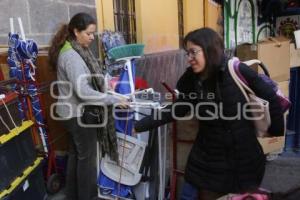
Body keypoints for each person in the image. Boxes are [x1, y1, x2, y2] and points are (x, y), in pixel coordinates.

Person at [134, 28, 284, 200]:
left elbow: (270, 96)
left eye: (193, 52)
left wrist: (276, 131)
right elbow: (177, 109)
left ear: (209, 50)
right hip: (205, 153)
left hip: (241, 157)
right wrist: (141, 125)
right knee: (188, 195)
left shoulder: (235, 70)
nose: (189, 58)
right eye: (187, 53)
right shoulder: (192, 79)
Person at [48, 13, 128, 200]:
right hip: (77, 115)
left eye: (94, 33)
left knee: (77, 155)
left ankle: (73, 194)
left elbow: (86, 81)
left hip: (71, 113)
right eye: (89, 33)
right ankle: (87, 196)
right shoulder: (72, 56)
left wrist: (105, 87)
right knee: (87, 159)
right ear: (76, 32)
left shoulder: (75, 49)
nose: (93, 37)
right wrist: (113, 100)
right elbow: (83, 91)